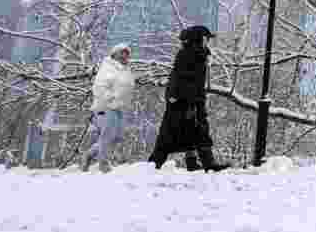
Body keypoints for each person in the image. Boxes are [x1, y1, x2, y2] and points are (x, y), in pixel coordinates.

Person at [148, 25, 229, 172]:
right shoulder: (189, 54)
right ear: (198, 39)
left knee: (196, 130)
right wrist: (182, 98)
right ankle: (154, 164)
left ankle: (200, 163)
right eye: (206, 38)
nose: (208, 42)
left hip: (191, 99)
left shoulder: (198, 53)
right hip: (183, 101)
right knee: (173, 133)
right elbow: (179, 77)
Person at [82, 43, 135, 173]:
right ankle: (103, 164)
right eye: (122, 53)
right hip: (105, 107)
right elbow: (99, 87)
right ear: (114, 54)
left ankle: (89, 155)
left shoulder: (125, 69)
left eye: (127, 53)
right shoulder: (108, 67)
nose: (125, 56)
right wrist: (110, 98)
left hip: (120, 108)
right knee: (107, 135)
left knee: (116, 137)